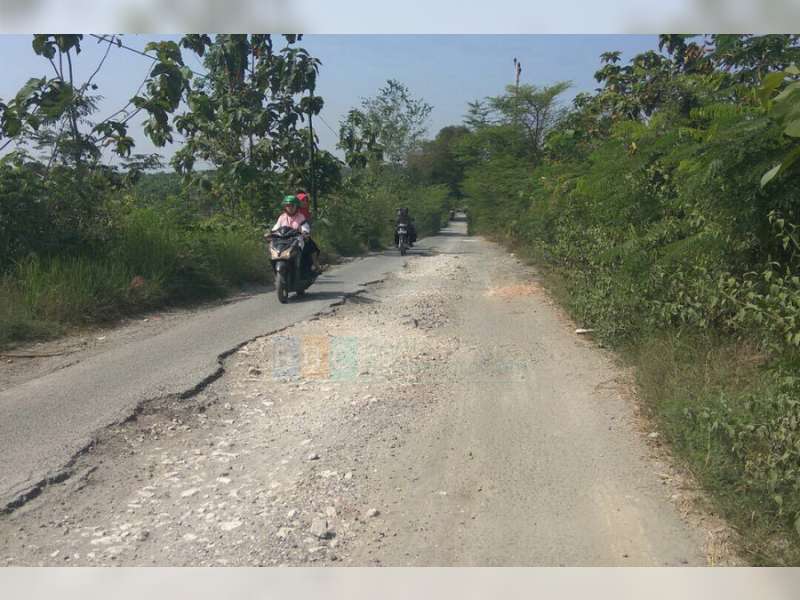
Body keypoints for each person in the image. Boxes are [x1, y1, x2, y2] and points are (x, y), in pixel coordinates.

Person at [271, 195, 321, 275]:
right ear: (285, 207)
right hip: (282, 241)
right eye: (288, 206)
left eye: (292, 206)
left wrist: (305, 232)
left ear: (296, 206)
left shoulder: (300, 217)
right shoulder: (282, 217)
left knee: (310, 247)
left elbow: (305, 226)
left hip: (295, 240)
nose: (290, 208)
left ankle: (313, 266)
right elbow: (276, 227)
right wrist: (271, 233)